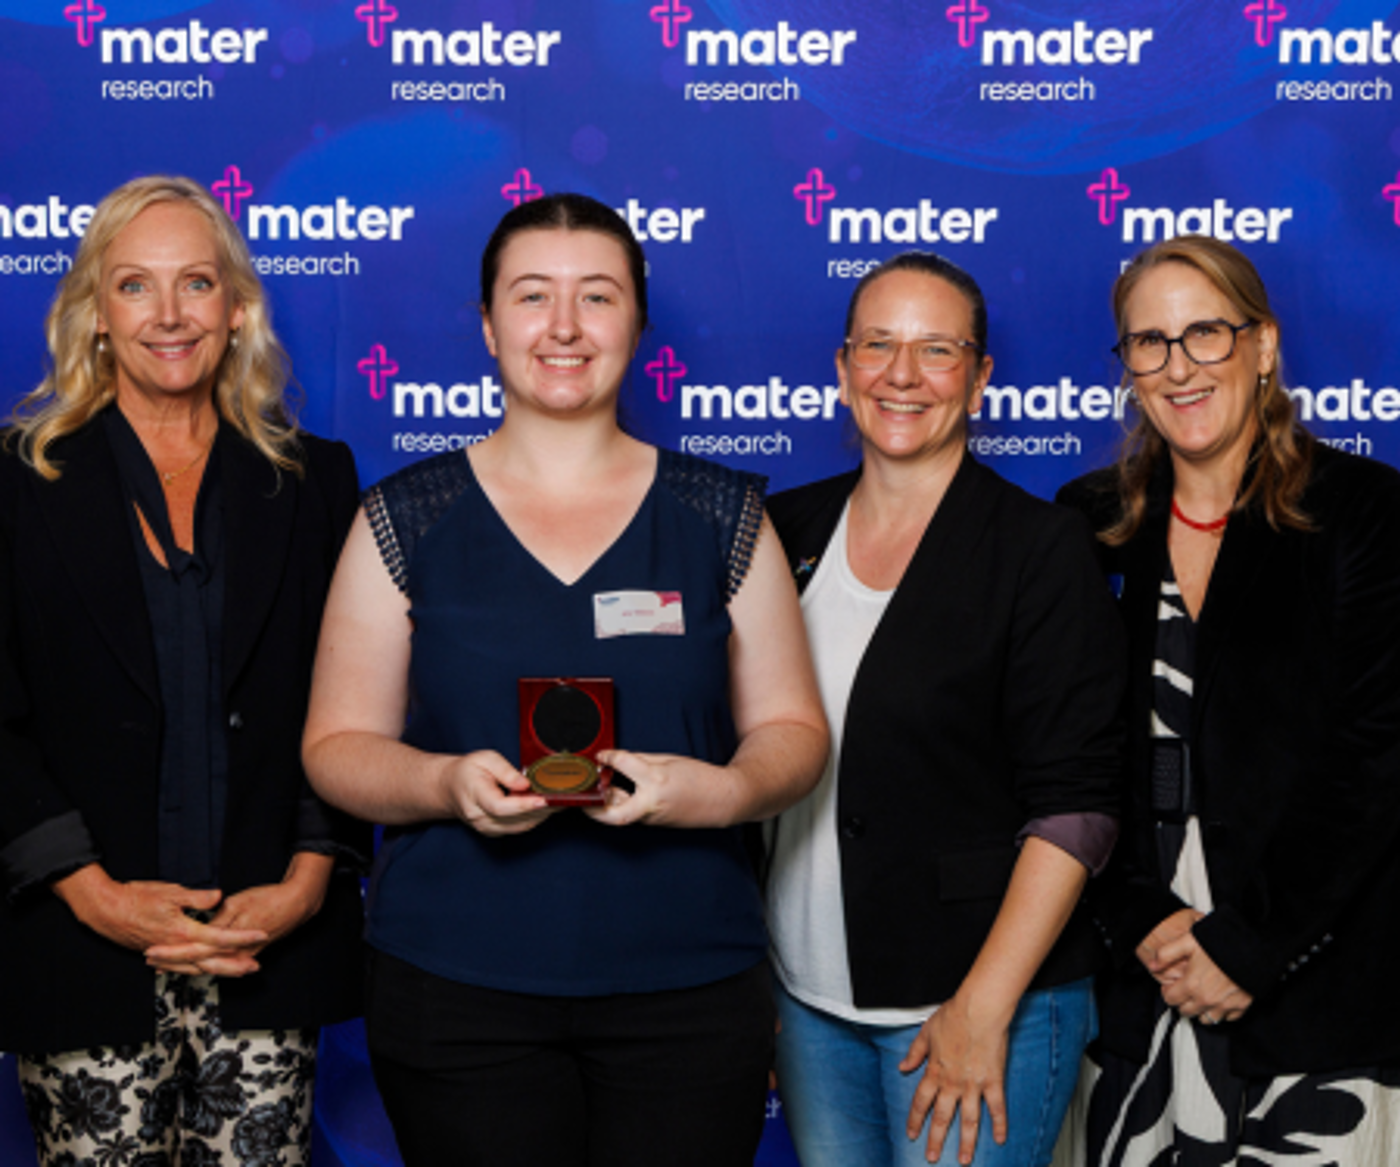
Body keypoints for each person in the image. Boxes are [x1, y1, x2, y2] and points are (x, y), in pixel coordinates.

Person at [301, 192, 827, 1167]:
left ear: (636, 322)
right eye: (532, 296)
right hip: (456, 991)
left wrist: (721, 791)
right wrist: (442, 784)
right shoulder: (403, 518)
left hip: (686, 986)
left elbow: (793, 733)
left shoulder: (720, 516)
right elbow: (336, 747)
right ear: (489, 324)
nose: (564, 328)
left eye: (597, 297)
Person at [0, 175, 367, 1164]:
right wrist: (84, 889)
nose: (167, 314)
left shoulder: (313, 478)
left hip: (264, 943)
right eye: (134, 286)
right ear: (93, 316)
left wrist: (308, 876)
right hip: (79, 948)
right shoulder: (12, 480)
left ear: (237, 308)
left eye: (195, 283)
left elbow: (357, 701)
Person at [764, 251, 1125, 1167]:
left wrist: (982, 1006)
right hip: (809, 1005)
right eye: (878, 345)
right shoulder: (783, 531)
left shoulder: (1040, 548)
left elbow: (1077, 805)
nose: (903, 375)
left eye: (937, 350)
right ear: (843, 368)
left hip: (972, 1003)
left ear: (980, 378)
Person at [1057, 235, 1400, 1164]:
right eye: (1149, 341)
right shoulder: (1086, 521)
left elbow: (1377, 760)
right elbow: (1061, 753)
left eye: (1206, 332)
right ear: (1126, 366)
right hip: (1142, 988)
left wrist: (1248, 945)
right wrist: (1139, 920)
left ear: (1264, 346)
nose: (1179, 366)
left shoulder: (1365, 512)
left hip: (1310, 989)